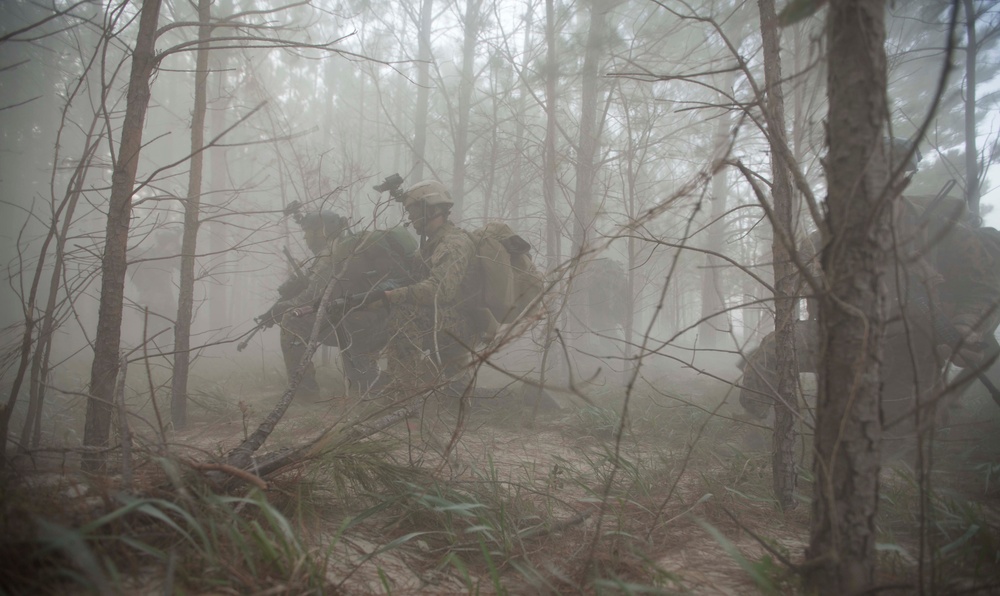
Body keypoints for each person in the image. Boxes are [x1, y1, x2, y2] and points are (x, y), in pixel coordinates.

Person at [359, 180, 481, 400]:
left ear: (433, 209)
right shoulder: (429, 246)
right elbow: (412, 282)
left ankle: (404, 396)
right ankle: (378, 379)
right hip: (443, 318)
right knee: (456, 395)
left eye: (414, 211)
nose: (411, 218)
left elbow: (439, 291)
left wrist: (391, 296)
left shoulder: (454, 243)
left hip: (463, 323)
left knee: (405, 313)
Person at [263, 209, 348, 397]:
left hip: (347, 318)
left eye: (307, 233)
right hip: (352, 314)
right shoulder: (335, 250)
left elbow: (312, 296)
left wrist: (281, 307)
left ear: (320, 232)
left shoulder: (328, 255)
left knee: (292, 321)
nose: (305, 239)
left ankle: (304, 393)